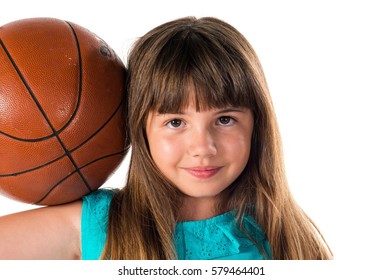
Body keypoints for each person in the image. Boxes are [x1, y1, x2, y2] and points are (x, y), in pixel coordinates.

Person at [0, 16, 332, 260]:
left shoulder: (293, 243)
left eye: (225, 119)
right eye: (175, 122)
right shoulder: (100, 226)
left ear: (257, 124)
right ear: (140, 127)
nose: (202, 147)